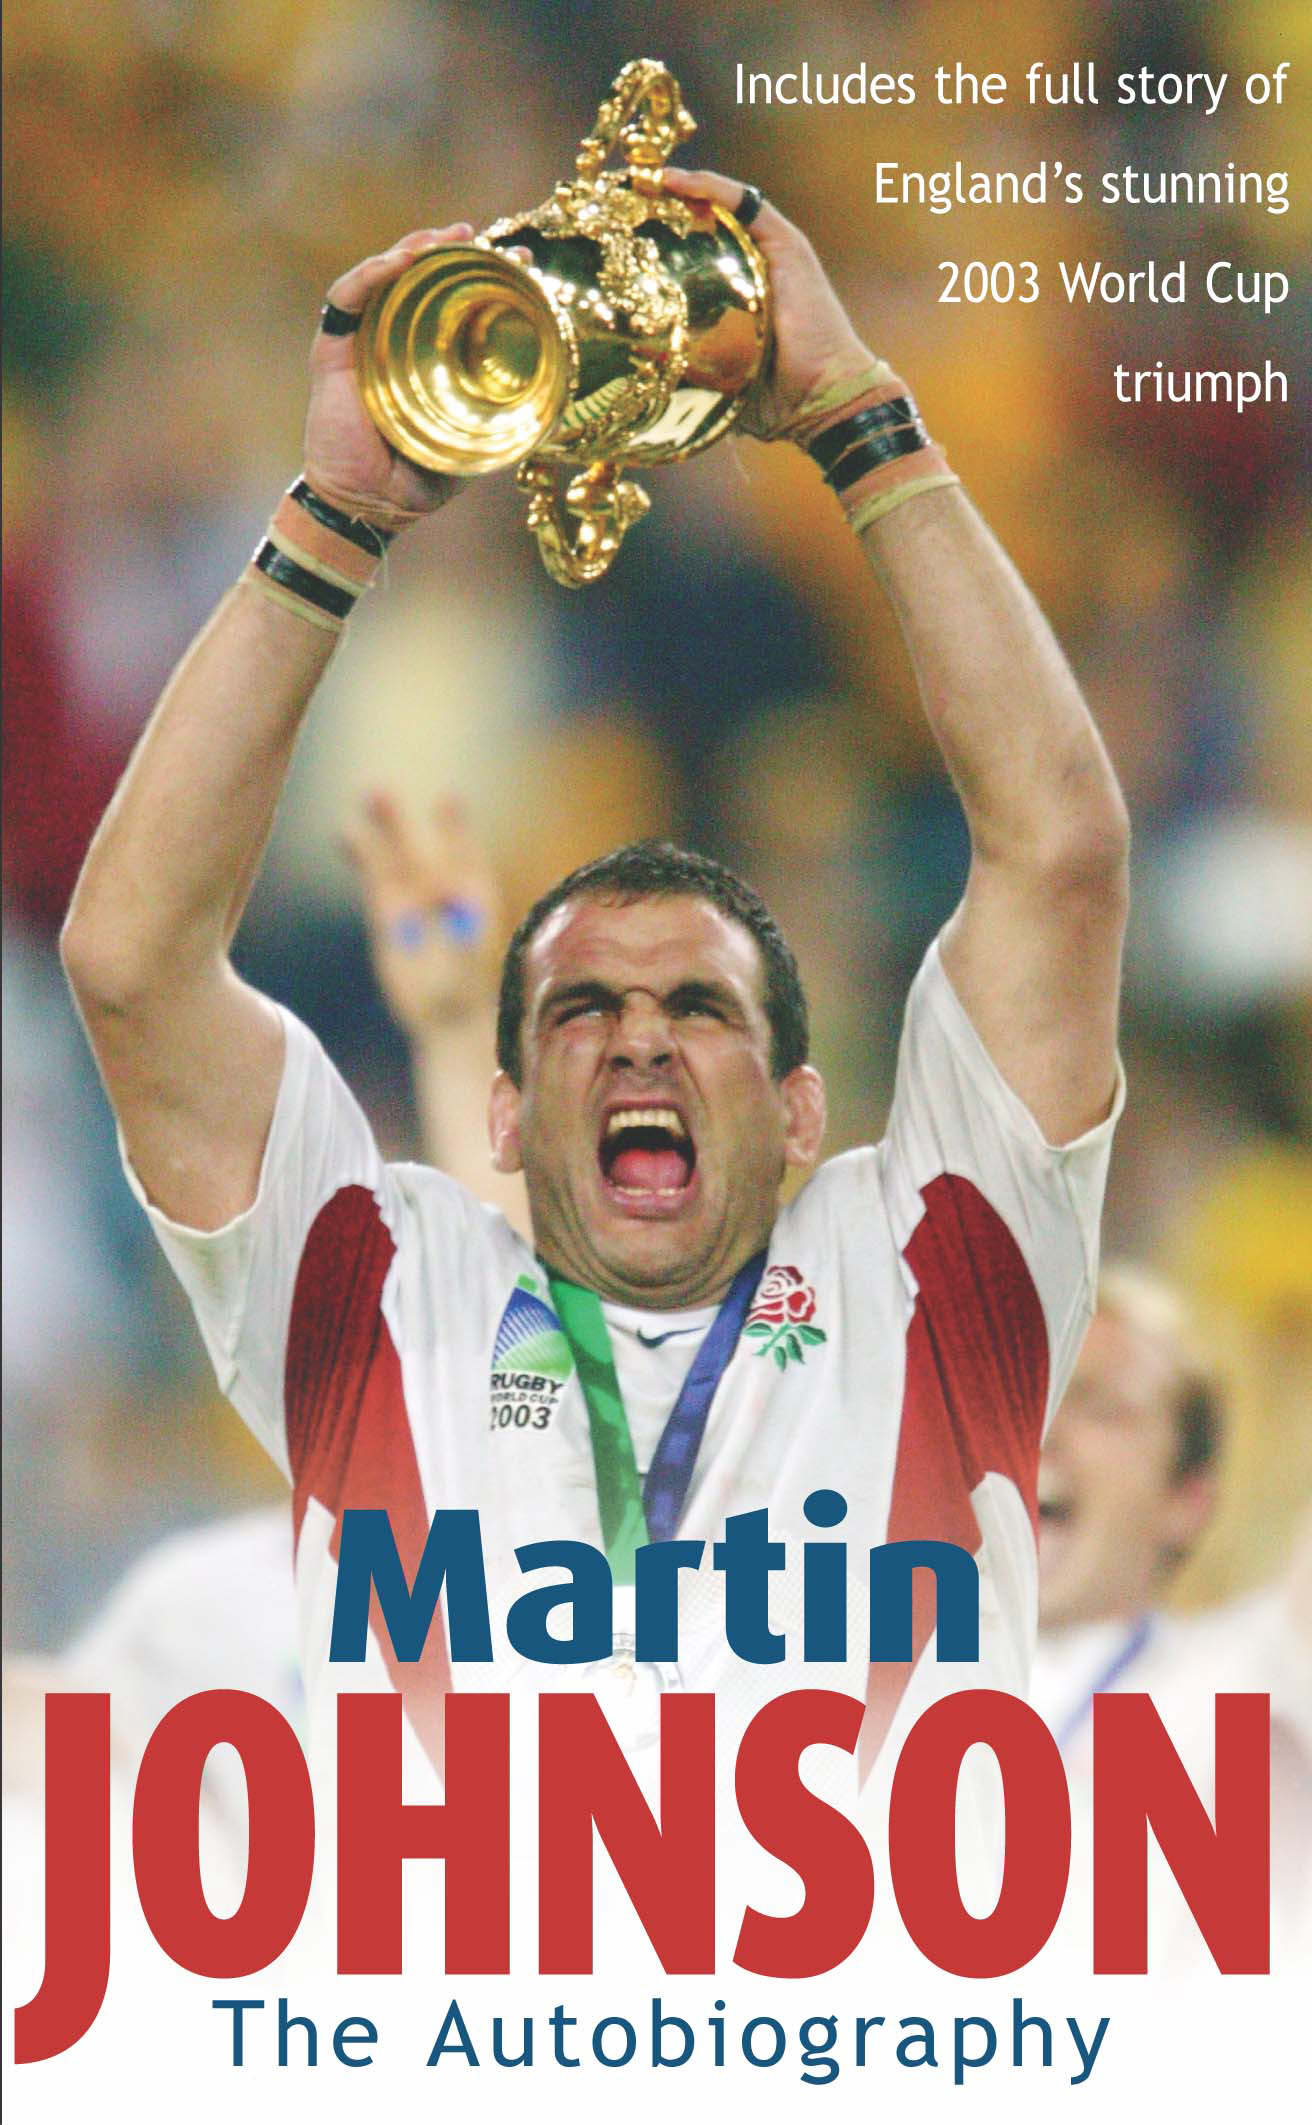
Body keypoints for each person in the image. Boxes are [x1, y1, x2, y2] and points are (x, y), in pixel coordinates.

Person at [59, 171, 1129, 1807]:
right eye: (580, 1013)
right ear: (500, 1115)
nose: (639, 1037)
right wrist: (332, 521)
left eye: (700, 1009)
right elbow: (131, 966)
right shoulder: (380, 1301)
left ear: (802, 1112)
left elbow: (1058, 851)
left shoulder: (933, 1277)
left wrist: (858, 415)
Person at [1033, 1265, 1312, 1965]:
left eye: (1101, 1407)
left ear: (1186, 1500)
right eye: (1025, 1394)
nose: (1043, 1431)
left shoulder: (1233, 1688)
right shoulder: (850, 1686)